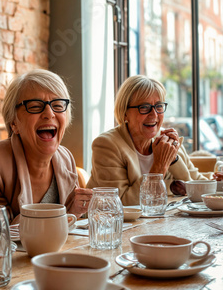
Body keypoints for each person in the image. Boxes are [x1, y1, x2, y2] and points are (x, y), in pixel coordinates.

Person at [0, 69, 92, 223]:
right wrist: (62, 217)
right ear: (14, 123)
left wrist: (73, 212)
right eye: (35, 106)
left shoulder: (66, 158)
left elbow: (66, 229)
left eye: (58, 105)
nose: (49, 113)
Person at [87, 75, 218, 205]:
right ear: (125, 112)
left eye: (159, 106)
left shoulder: (167, 140)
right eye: (144, 107)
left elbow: (197, 184)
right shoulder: (106, 145)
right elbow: (118, 203)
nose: (154, 114)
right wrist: (159, 167)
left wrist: (220, 183)